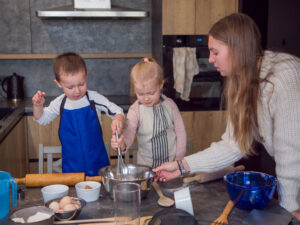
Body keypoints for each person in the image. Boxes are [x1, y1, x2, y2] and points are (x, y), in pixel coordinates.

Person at [153, 13, 300, 220]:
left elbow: (291, 152)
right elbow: (233, 145)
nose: (211, 59)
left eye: (215, 52)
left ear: (237, 48)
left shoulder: (285, 75)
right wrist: (181, 166)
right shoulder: (241, 81)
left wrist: (288, 211)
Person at [32, 52, 124, 176]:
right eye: (70, 87)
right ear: (59, 83)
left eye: (81, 84)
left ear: (86, 76)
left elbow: (117, 111)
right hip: (71, 168)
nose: (77, 91)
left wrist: (118, 118)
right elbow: (41, 119)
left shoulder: (94, 98)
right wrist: (38, 106)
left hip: (98, 164)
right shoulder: (60, 103)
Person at [111, 57, 186, 168]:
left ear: (161, 85)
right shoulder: (135, 110)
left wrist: (178, 159)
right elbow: (129, 132)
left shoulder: (170, 105)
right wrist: (122, 144)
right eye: (140, 94)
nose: (146, 98)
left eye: (151, 93)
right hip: (146, 167)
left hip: (171, 164)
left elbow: (180, 132)